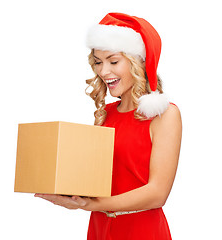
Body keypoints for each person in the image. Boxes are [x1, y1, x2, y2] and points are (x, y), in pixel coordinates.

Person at [35, 12, 182, 239]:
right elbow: (98, 178)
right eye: (98, 62)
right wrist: (68, 191)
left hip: (142, 229)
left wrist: (90, 205)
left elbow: (157, 193)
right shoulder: (106, 114)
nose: (103, 72)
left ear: (138, 61)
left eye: (113, 61)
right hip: (100, 228)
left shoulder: (164, 114)